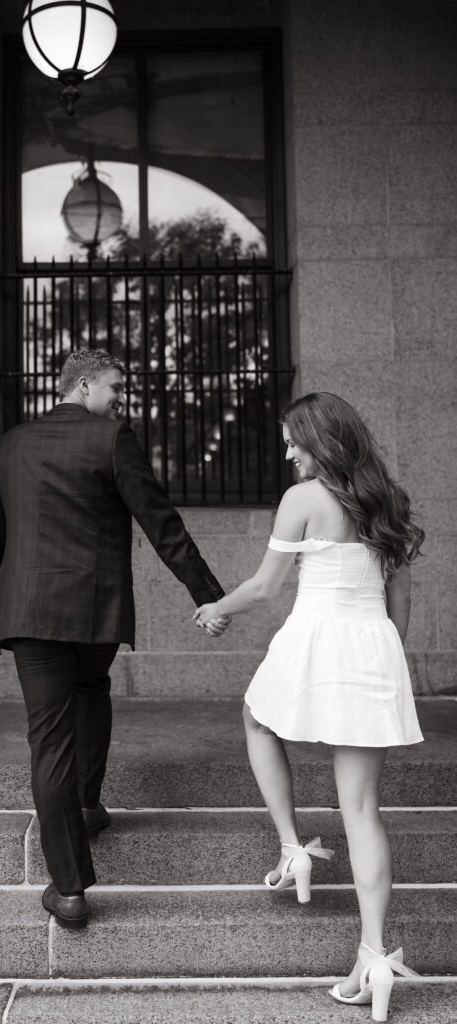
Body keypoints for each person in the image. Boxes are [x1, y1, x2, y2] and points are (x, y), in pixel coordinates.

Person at [0, 348, 225, 930]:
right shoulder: (112, 439)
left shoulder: (9, 444)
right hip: (94, 609)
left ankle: (68, 890)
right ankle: (86, 804)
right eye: (114, 388)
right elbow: (163, 525)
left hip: (27, 613)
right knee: (92, 687)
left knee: (49, 736)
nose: (120, 398)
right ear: (83, 385)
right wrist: (204, 593)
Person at [194, 392, 424, 1023]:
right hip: (372, 643)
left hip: (313, 638)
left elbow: (267, 586)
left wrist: (216, 608)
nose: (288, 450)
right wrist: (382, 662)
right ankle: (374, 956)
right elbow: (399, 603)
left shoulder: (302, 499)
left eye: (294, 439)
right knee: (362, 809)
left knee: (255, 717)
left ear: (323, 440)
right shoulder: (390, 500)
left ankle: (293, 847)